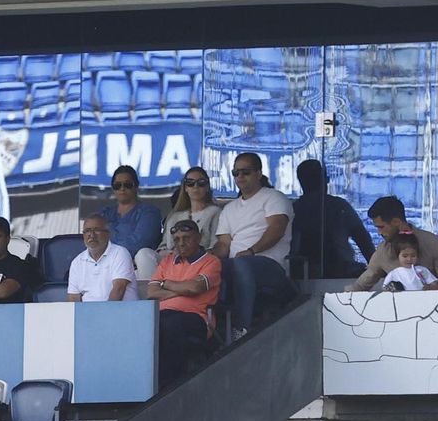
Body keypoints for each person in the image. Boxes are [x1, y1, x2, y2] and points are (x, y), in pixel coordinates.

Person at [213, 153, 295, 339]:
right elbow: (224, 244)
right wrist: (206, 259)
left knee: (242, 264)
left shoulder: (274, 197)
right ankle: (209, 329)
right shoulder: (229, 208)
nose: (240, 177)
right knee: (210, 268)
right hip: (238, 263)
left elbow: (277, 229)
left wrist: (251, 251)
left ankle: (242, 328)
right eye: (236, 173)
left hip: (270, 264)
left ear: (258, 173)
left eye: (246, 172)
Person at [147, 219, 222, 386]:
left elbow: (195, 288)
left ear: (199, 237)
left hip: (197, 318)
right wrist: (183, 289)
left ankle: (170, 386)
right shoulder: (167, 261)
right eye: (177, 239)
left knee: (170, 324)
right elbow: (152, 292)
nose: (181, 243)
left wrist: (165, 283)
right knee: (146, 324)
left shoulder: (211, 261)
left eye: (187, 237)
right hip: (163, 314)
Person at [291, 159, 374, 279]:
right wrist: (376, 269)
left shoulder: (293, 209)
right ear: (325, 180)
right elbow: (363, 239)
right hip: (340, 271)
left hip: (301, 273)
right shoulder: (338, 206)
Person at [350, 198, 438, 293]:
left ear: (396, 221)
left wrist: (433, 290)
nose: (379, 232)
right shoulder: (383, 251)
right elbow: (360, 285)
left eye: (381, 227)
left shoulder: (433, 243)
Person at [67, 216, 135, 302]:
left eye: (97, 230)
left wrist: (104, 314)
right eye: (87, 231)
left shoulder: (120, 253)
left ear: (108, 234)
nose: (92, 235)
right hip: (88, 313)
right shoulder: (77, 262)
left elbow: (119, 289)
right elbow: (73, 298)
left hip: (121, 312)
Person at [100, 166, 163, 254]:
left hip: (136, 264)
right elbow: (96, 241)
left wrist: (109, 252)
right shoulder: (105, 213)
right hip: (106, 262)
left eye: (127, 185)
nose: (122, 188)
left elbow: (139, 244)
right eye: (117, 185)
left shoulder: (149, 213)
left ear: (136, 186)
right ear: (113, 188)